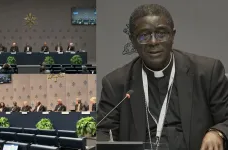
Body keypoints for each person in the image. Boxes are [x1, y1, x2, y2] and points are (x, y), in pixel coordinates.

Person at [97, 4, 228, 150]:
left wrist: (218, 132)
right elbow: (102, 132)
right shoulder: (116, 83)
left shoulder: (207, 72)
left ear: (172, 36)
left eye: (161, 34)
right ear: (133, 41)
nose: (153, 42)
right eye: (144, 35)